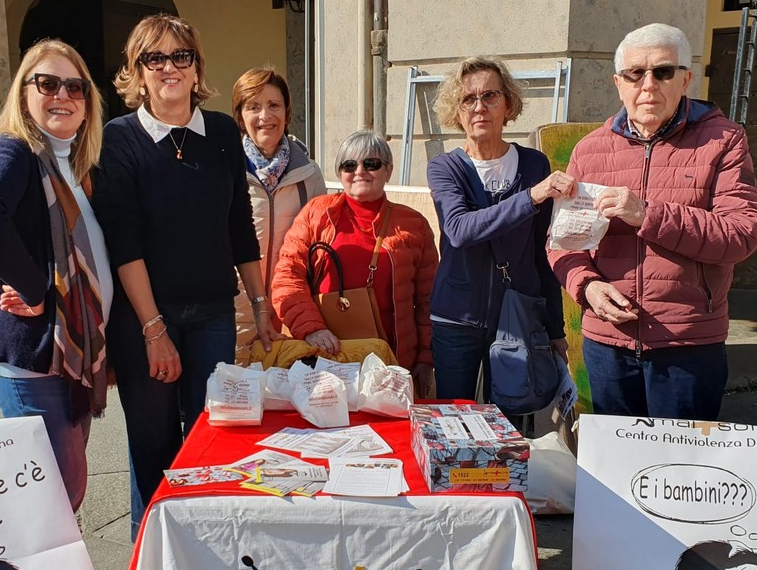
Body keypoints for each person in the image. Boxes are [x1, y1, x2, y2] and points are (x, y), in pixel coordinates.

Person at [94, 14, 279, 535]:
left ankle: (201, 546)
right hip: (145, 318)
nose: (170, 68)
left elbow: (239, 227)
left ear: (197, 68)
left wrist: (261, 305)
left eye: (182, 56)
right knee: (153, 442)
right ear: (138, 71)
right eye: (156, 58)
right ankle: (149, 555)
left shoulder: (221, 131)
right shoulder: (120, 139)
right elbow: (123, 242)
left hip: (214, 313)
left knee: (209, 434)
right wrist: (154, 330)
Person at [548, 23, 757, 420]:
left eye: (662, 71)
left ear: (685, 79)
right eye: (635, 73)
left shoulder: (724, 140)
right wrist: (588, 287)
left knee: (680, 469)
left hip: (687, 346)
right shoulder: (590, 150)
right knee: (613, 469)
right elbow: (563, 243)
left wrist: (648, 214)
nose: (648, 85)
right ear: (619, 83)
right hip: (607, 344)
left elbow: (742, 233)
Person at [0, 39, 110, 513]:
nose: (62, 94)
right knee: (56, 494)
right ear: (23, 94)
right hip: (30, 354)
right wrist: (35, 288)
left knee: (59, 491)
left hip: (65, 354)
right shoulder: (14, 150)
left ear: (88, 104)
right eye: (46, 83)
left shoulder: (71, 164)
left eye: (75, 86)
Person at [426, 56, 570, 406]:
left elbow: (542, 252)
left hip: (518, 314)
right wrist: (531, 197)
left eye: (490, 96)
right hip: (456, 317)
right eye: (468, 99)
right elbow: (459, 229)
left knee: (509, 418)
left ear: (508, 104)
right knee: (454, 418)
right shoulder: (445, 167)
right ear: (456, 111)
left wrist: (554, 328)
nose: (479, 107)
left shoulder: (534, 164)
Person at [271, 131, 437, 389]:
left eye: (371, 163)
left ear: (388, 170)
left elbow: (429, 298)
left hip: (391, 362)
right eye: (349, 165)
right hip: (326, 357)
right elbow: (286, 277)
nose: (360, 171)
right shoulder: (317, 214)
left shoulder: (414, 224)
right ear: (340, 174)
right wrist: (311, 328)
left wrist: (426, 357)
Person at [231, 67, 326, 358]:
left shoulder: (308, 174)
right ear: (240, 116)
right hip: (236, 311)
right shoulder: (226, 171)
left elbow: (320, 247)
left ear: (287, 111)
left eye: (274, 105)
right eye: (253, 107)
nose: (265, 116)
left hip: (291, 311)